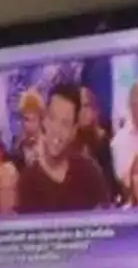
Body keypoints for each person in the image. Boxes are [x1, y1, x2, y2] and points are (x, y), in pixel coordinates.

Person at [15, 83, 112, 212]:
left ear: (73, 131)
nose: (57, 130)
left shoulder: (89, 173)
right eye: (52, 118)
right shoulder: (28, 181)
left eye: (65, 124)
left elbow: (106, 221)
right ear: (44, 120)